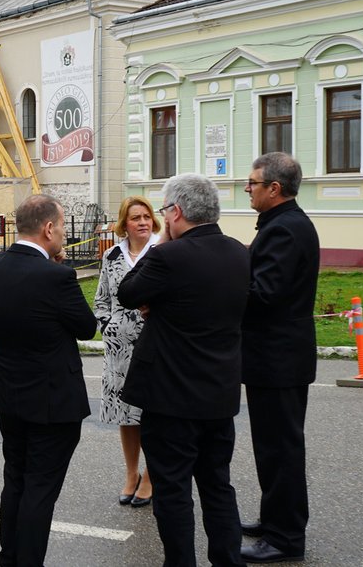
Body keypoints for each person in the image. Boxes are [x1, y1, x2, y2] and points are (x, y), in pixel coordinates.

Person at [117, 174, 250, 567]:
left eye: (163, 212)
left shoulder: (167, 256)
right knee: (217, 485)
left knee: (173, 490)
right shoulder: (239, 252)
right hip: (219, 392)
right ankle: (228, 560)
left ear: (175, 212)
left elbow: (128, 292)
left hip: (170, 397)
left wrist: (159, 244)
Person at [0, 194, 98, 567]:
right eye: (61, 226)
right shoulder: (57, 277)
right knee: (40, 488)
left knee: (16, 478)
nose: (63, 234)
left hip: (8, 392)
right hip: (52, 400)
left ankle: (10, 557)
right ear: (48, 228)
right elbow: (87, 327)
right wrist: (59, 273)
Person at [239, 152, 320, 564]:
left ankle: (285, 537)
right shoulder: (281, 224)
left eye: (253, 183)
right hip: (275, 356)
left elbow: (264, 294)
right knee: (272, 447)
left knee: (280, 450)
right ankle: (275, 519)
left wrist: (222, 291)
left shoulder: (285, 229)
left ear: (274, 188)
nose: (247, 188)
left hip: (277, 358)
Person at [93, 196, 161, 508]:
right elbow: (102, 298)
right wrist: (107, 326)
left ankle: (151, 476)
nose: (143, 222)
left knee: (153, 413)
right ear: (125, 223)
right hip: (119, 348)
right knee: (126, 413)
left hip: (156, 344)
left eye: (147, 216)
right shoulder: (112, 255)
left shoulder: (162, 251)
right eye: (136, 217)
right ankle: (132, 473)